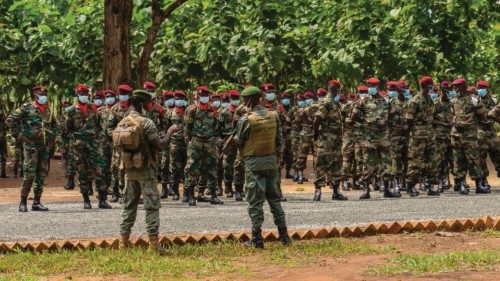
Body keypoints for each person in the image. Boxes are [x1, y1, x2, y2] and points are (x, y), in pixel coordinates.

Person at [117, 90, 177, 255]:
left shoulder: (122, 122)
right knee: (152, 207)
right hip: (146, 171)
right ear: (143, 104)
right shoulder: (146, 123)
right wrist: (170, 131)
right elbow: (160, 146)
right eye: (150, 103)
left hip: (130, 171)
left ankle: (123, 242)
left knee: (129, 206)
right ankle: (154, 245)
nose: (151, 106)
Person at [233, 86, 290, 249]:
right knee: (275, 200)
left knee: (255, 202)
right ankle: (284, 236)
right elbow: (280, 139)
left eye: (244, 100)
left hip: (254, 164)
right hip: (271, 163)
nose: (243, 103)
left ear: (249, 100)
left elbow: (239, 141)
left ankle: (257, 239)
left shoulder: (246, 119)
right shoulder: (274, 115)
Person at [6, 86, 56, 212]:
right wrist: (19, 135)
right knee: (29, 174)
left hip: (44, 146)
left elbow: (54, 124)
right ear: (35, 95)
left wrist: (53, 136)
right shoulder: (27, 107)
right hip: (30, 145)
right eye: (41, 94)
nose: (43, 96)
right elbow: (10, 120)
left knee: (41, 173)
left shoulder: (48, 109)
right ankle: (23, 202)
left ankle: (37, 202)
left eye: (45, 93)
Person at [351, 78, 400, 199]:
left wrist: (390, 129)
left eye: (372, 86)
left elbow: (393, 116)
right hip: (369, 136)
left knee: (386, 163)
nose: (370, 88)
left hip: (383, 136)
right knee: (368, 163)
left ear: (378, 87)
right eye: (369, 86)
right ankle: (366, 189)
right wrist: (362, 131)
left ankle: (387, 189)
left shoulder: (385, 101)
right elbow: (354, 117)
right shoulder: (364, 101)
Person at [65, 84, 111, 209]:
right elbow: (67, 129)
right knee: (82, 172)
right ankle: (86, 200)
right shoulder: (71, 111)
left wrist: (98, 138)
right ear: (77, 95)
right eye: (82, 94)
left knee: (99, 170)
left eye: (86, 94)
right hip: (79, 146)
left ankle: (102, 200)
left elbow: (99, 125)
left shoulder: (94, 108)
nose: (84, 96)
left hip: (94, 144)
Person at [183, 86, 223, 206]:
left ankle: (213, 195)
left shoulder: (213, 109)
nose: (205, 98)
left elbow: (216, 125)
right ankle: (190, 196)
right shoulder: (192, 109)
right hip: (196, 142)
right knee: (192, 168)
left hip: (210, 143)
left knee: (212, 168)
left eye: (206, 95)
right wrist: (190, 142)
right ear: (199, 96)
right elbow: (187, 128)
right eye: (202, 96)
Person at [450, 78, 490, 194]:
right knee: (458, 160)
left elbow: (482, 117)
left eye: (456, 87)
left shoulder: (474, 101)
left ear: (463, 87)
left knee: (474, 160)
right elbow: (452, 115)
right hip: (456, 134)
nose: (455, 89)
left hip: (470, 135)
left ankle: (479, 185)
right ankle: (462, 184)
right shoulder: (453, 101)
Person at [405, 76, 441, 197]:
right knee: (415, 162)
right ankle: (411, 185)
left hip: (430, 135)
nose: (433, 87)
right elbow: (408, 120)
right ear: (427, 86)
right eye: (432, 85)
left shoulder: (430, 99)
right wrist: (412, 134)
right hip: (417, 136)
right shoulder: (414, 101)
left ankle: (430, 185)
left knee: (432, 161)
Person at [312, 80, 347, 201]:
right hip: (326, 140)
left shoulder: (335, 103)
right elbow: (317, 119)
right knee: (322, 164)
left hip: (336, 141)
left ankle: (336, 192)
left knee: (336, 164)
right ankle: (318, 191)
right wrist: (316, 134)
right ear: (335, 89)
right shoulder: (326, 102)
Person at [475, 80, 499, 187]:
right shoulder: (474, 100)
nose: (481, 89)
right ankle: (483, 179)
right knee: (481, 156)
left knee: (498, 154)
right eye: (479, 87)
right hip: (479, 131)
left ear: (487, 88)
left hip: (491, 131)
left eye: (483, 87)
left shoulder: (494, 100)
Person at [166, 90, 188, 201]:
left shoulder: (188, 112)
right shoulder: (169, 113)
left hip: (187, 144)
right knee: (174, 169)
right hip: (175, 144)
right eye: (177, 99)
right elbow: (164, 127)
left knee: (187, 169)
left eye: (182, 99)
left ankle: (186, 192)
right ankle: (175, 192)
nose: (179, 101)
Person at [433, 81, 454, 192]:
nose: (448, 93)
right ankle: (442, 180)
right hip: (440, 135)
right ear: (441, 91)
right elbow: (430, 119)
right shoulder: (435, 103)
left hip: (453, 134)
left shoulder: (453, 102)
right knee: (441, 158)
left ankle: (458, 181)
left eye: (450, 91)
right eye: (446, 91)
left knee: (453, 158)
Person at [0, 96, 9, 178]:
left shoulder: (3, 115)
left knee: (3, 156)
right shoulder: (3, 115)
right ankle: (3, 172)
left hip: (2, 139)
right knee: (3, 156)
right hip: (2, 138)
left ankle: (3, 172)